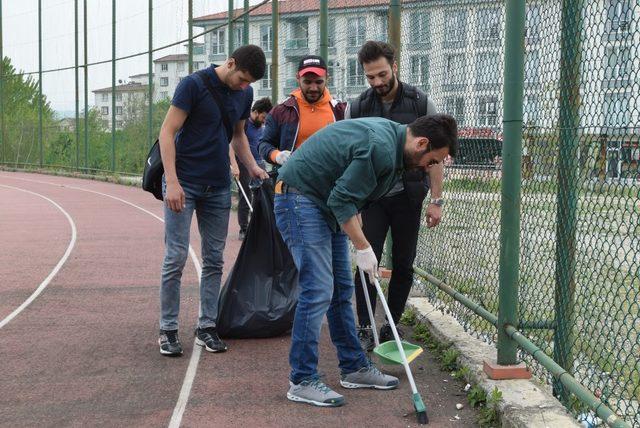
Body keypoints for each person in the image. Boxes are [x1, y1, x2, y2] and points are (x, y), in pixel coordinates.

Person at [274, 114, 458, 407]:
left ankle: (354, 367)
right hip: (300, 200)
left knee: (341, 291)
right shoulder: (382, 147)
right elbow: (341, 199)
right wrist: (362, 246)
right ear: (422, 143)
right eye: (433, 161)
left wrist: (358, 230)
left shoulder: (395, 145)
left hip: (323, 202)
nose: (429, 168)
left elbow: (348, 190)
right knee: (318, 289)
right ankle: (302, 379)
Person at [157, 45, 269, 357]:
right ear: (230, 63)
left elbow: (238, 136)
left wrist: (253, 166)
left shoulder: (244, 95)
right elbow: (167, 132)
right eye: (242, 79)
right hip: (184, 183)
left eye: (249, 83)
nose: (244, 87)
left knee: (214, 259)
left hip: (218, 186)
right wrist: (173, 183)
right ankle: (167, 329)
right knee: (176, 257)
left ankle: (207, 326)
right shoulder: (193, 85)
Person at [346, 41, 443, 351]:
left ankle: (391, 326)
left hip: (408, 197)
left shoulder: (420, 104)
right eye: (370, 77)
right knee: (366, 262)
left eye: (382, 74)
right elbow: (348, 156)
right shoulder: (358, 106)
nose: (377, 82)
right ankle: (364, 325)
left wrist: (437, 200)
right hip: (372, 199)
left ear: (395, 67)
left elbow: (436, 155)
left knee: (404, 263)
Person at [258, 55, 345, 172]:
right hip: (292, 182)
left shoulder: (340, 111)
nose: (313, 88)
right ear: (298, 78)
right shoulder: (281, 111)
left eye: (319, 82)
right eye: (307, 82)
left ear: (327, 78)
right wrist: (277, 156)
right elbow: (264, 144)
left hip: (330, 183)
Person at [230, 97, 273, 240]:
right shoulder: (243, 125)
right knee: (246, 194)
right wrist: (235, 165)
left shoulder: (263, 128)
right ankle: (244, 228)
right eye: (262, 117)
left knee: (264, 192)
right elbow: (231, 143)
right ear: (255, 112)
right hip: (243, 163)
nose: (263, 120)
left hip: (259, 163)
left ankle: (260, 225)